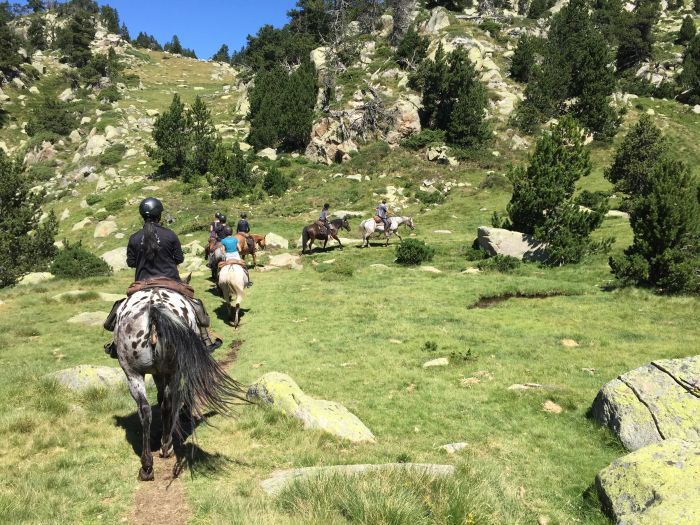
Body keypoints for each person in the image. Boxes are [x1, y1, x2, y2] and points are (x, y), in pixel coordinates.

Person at [103, 198, 222, 358]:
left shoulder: (134, 238)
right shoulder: (170, 235)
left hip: (142, 284)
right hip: (170, 282)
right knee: (196, 305)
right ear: (159, 215)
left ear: (142, 216)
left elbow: (131, 262)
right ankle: (205, 340)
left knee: (120, 308)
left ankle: (116, 344)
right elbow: (179, 258)